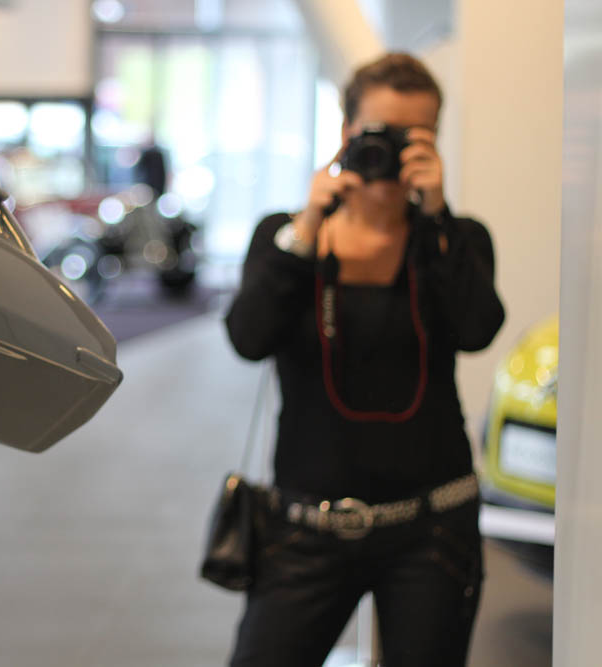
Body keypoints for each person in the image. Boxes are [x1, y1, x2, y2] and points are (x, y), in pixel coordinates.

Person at [223, 53, 505, 666]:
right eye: (381, 133)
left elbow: (478, 329)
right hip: (307, 525)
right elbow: (248, 337)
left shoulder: (456, 239)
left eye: (414, 136)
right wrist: (307, 227)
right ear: (347, 132)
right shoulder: (288, 235)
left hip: (433, 524)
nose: (393, 152)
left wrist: (437, 216)